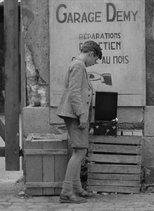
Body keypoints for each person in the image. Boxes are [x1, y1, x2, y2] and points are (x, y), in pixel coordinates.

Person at [56, 40, 102, 203]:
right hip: (75, 114)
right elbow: (75, 93)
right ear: (91, 54)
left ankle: (76, 188)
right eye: (95, 60)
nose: (93, 64)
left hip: (74, 113)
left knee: (79, 150)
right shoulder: (79, 66)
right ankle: (67, 192)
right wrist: (82, 114)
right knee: (79, 151)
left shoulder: (77, 64)